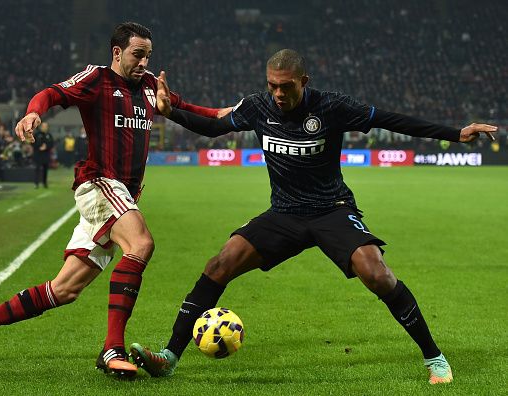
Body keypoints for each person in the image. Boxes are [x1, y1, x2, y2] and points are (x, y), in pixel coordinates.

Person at [129, 49, 498, 385]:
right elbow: (213, 127)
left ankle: (434, 358)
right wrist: (171, 112)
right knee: (219, 264)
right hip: (284, 213)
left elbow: (391, 119)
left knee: (377, 273)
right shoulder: (259, 107)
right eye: (272, 86)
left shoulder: (332, 107)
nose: (278, 94)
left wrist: (456, 133)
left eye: (286, 87)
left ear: (304, 82)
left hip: (331, 210)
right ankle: (169, 356)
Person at [0, 22, 228, 377]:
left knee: (63, 290)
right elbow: (52, 93)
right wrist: (34, 111)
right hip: (100, 182)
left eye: (148, 56)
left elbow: (203, 113)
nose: (143, 62)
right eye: (137, 54)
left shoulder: (149, 89)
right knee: (140, 244)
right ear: (117, 52)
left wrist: (239, 113)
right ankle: (112, 349)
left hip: (118, 195)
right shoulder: (97, 79)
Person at [32, 122, 54, 188]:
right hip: (38, 154)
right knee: (37, 169)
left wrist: (46, 146)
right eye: (43, 126)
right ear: (41, 127)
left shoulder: (49, 135)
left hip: (46, 155)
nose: (45, 127)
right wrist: (39, 147)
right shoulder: (37, 134)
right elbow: (32, 143)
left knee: (45, 169)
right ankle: (36, 183)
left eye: (46, 126)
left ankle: (45, 183)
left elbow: (51, 144)